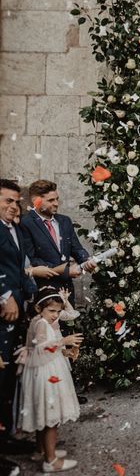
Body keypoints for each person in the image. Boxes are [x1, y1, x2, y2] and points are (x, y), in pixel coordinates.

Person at [17, 287, 82, 472]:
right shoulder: (42, 324)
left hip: (43, 369)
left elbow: (45, 347)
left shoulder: (39, 320)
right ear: (39, 309)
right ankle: (51, 461)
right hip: (46, 372)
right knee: (51, 417)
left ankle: (41, 450)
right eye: (52, 311)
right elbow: (41, 348)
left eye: (58, 312)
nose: (55, 315)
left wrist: (64, 351)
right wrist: (64, 341)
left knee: (44, 412)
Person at [0, 179, 36, 467]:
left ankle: (6, 433)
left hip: (19, 312)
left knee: (10, 376)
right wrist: (4, 296)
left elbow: (22, 265)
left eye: (16, 201)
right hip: (3, 313)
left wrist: (33, 296)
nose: (14, 206)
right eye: (8, 201)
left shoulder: (15, 229)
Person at [20, 180, 96, 306]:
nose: (56, 203)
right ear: (36, 200)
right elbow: (32, 259)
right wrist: (65, 271)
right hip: (43, 292)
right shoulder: (26, 223)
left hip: (67, 291)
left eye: (57, 199)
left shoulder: (65, 221)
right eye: (50, 200)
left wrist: (86, 260)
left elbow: (77, 249)